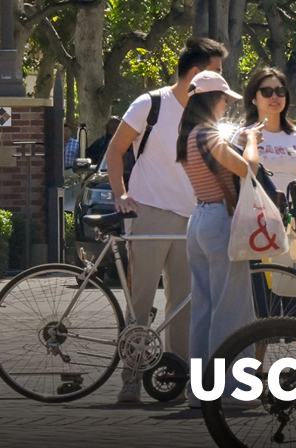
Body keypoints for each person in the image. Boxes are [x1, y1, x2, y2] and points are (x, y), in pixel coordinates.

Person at [100, 37, 223, 403]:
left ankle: (177, 379)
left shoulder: (208, 113)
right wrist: (121, 194)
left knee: (185, 303)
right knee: (140, 302)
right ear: (198, 72)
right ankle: (131, 379)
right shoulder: (150, 104)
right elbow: (115, 150)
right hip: (150, 212)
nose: (221, 80)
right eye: (216, 71)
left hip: (194, 216)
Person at [175, 71, 253, 409]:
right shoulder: (208, 134)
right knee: (231, 308)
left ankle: (200, 390)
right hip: (220, 220)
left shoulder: (188, 136)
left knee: (204, 310)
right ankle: (233, 390)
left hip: (198, 220)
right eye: (224, 99)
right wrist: (251, 144)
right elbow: (245, 169)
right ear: (211, 99)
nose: (227, 105)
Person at [240, 68, 296, 256]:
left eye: (280, 91)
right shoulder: (242, 136)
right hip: (256, 225)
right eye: (266, 92)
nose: (274, 97)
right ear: (254, 98)